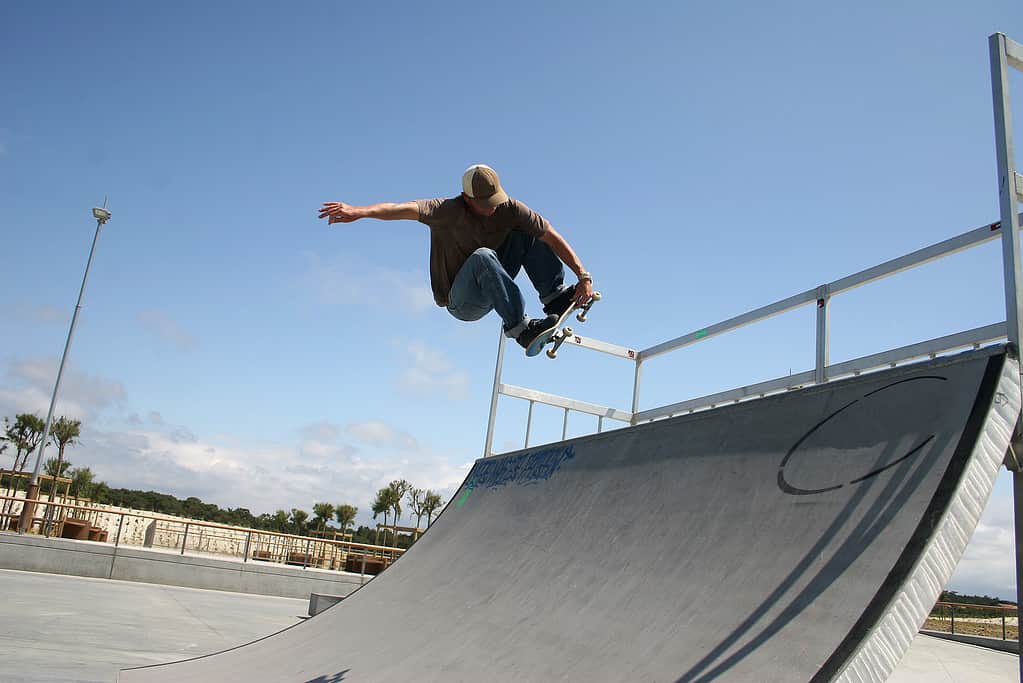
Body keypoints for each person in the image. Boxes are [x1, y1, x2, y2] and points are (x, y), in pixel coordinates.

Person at [318, 164, 595, 352]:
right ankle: (521, 330)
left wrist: (583, 276)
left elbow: (551, 234)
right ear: (465, 197)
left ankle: (554, 296)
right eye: (483, 205)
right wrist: (358, 211)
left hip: (494, 284)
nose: (491, 210)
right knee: (483, 256)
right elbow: (398, 208)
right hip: (462, 301)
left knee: (531, 232)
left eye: (494, 203)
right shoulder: (445, 211)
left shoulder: (510, 208)